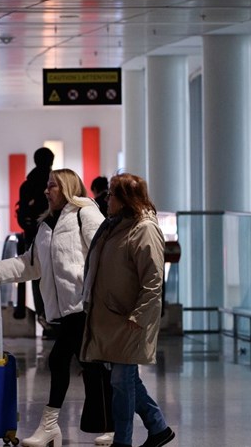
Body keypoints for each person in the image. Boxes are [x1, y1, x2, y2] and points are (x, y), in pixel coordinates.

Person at [0, 169, 114, 447]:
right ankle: (117, 424)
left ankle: (51, 426)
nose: (46, 191)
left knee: (59, 360)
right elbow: (31, 264)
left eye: (52, 186)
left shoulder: (85, 213)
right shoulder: (46, 226)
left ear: (67, 187)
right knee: (90, 366)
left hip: (84, 305)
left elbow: (104, 250)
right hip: (65, 309)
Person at [81, 173, 175, 447]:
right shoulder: (116, 226)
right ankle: (158, 428)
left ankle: (123, 441)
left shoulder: (144, 229)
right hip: (114, 317)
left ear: (124, 200)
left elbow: (153, 279)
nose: (106, 199)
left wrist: (139, 316)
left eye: (111, 194)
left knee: (121, 383)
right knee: (126, 380)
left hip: (129, 319)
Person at [15, 147, 56, 337]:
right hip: (55, 237)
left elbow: (21, 214)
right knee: (55, 278)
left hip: (32, 238)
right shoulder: (55, 185)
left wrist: (31, 229)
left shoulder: (28, 185)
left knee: (37, 278)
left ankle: (44, 317)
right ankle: (56, 319)